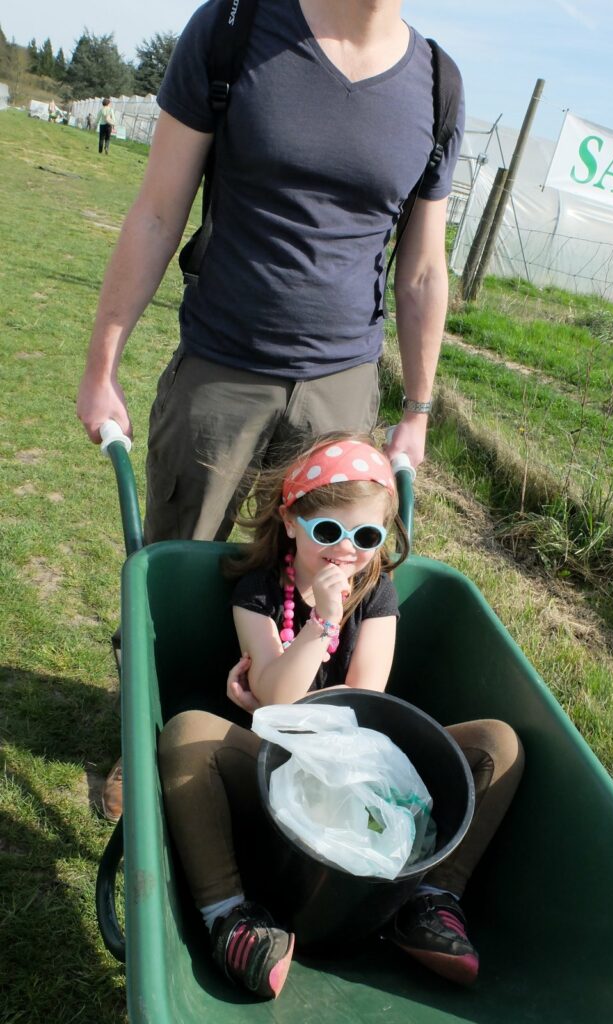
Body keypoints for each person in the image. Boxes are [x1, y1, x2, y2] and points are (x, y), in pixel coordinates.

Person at [79, 0, 464, 821]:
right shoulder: (233, 32)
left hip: (343, 388)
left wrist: (419, 408)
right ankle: (146, 741)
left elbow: (424, 270)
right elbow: (156, 210)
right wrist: (101, 363)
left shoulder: (435, 85)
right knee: (180, 568)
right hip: (223, 371)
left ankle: (281, 762)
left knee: (324, 575)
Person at [158, 434, 524, 998]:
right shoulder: (259, 591)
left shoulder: (377, 593)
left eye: (366, 536)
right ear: (289, 522)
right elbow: (278, 698)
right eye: (327, 531)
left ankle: (428, 901)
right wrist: (320, 625)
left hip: (356, 773)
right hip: (273, 774)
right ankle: (228, 916)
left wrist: (276, 702)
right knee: (187, 733)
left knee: (497, 744)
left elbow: (363, 703)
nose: (346, 550)